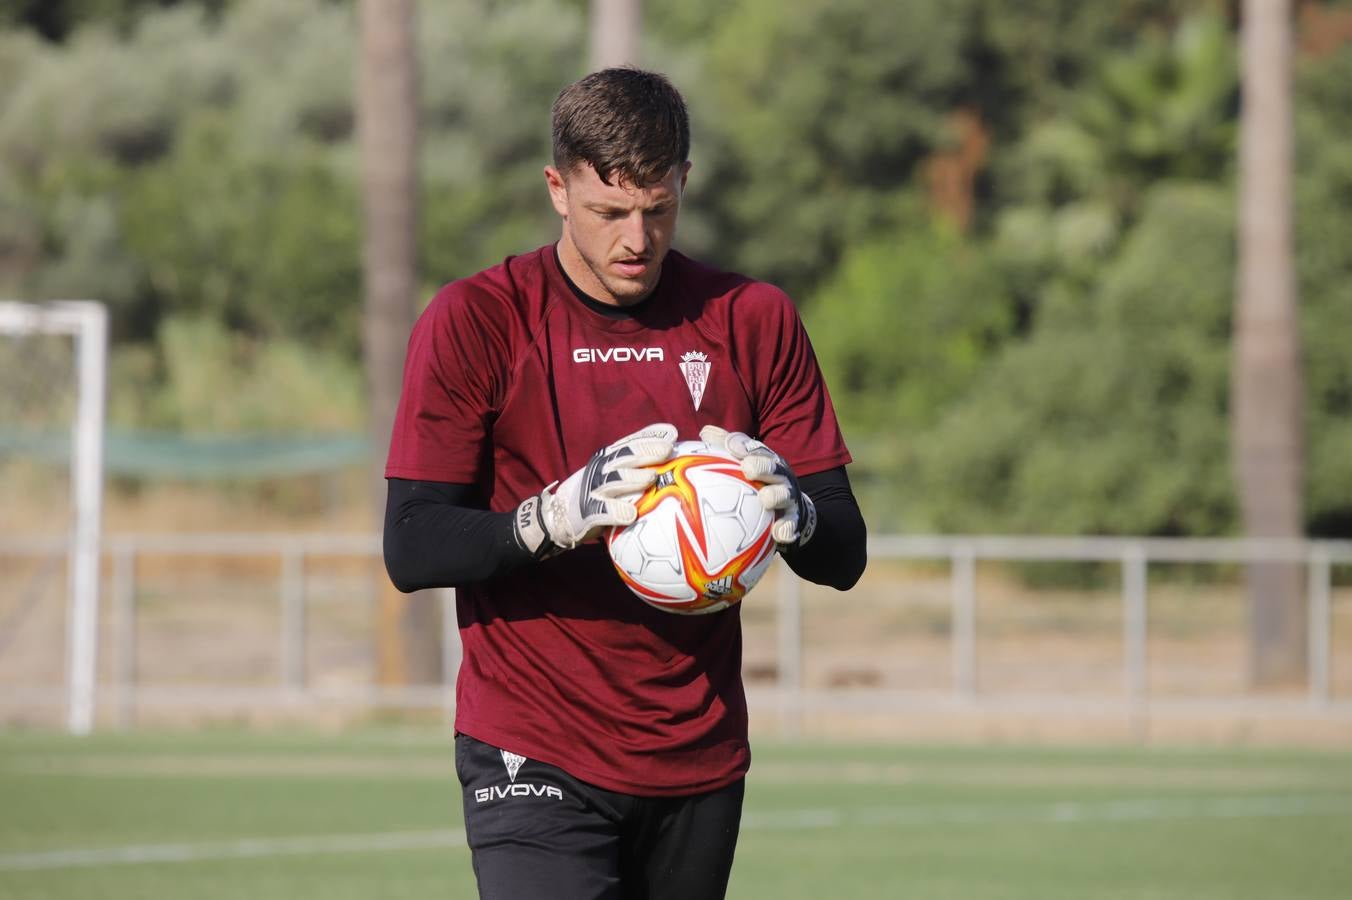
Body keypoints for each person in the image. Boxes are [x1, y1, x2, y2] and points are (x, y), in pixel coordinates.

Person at [383, 67, 867, 900]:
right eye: (610, 212)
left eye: (659, 209)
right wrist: (548, 519)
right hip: (530, 741)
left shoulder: (752, 318)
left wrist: (796, 513)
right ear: (557, 189)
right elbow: (412, 543)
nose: (636, 240)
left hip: (698, 752)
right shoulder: (477, 320)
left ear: (684, 181)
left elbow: (845, 552)